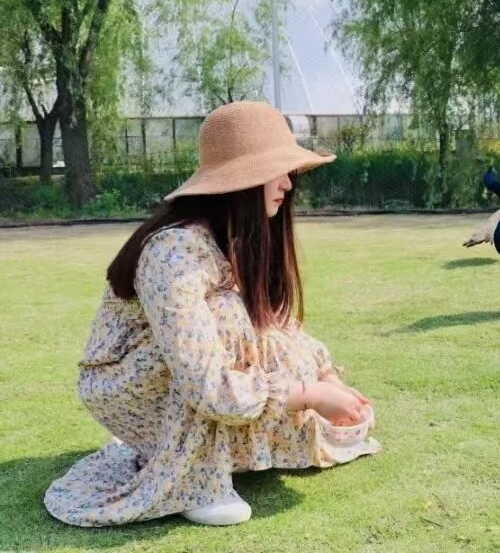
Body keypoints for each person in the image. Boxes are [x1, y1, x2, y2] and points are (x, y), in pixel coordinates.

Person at [44, 101, 380, 527]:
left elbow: (277, 325)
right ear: (243, 179)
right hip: (128, 385)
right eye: (278, 171)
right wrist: (307, 394)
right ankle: (196, 481)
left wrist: (325, 376)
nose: (288, 184)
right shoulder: (173, 252)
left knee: (263, 331)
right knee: (227, 316)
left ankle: (208, 458)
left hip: (184, 377)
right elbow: (204, 383)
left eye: (290, 172)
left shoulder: (233, 238)